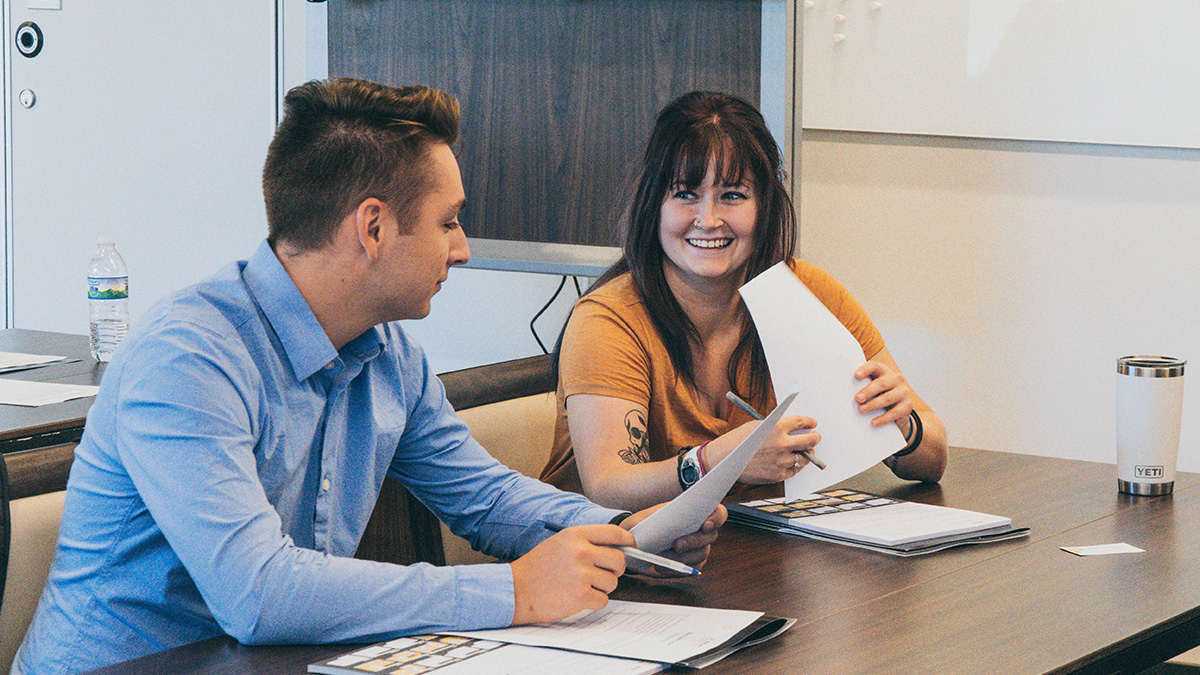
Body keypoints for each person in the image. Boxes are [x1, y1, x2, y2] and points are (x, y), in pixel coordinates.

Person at [13, 78, 724, 675]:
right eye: (448, 222)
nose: (464, 249)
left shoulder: (387, 352)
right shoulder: (188, 357)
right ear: (373, 227)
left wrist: (627, 533)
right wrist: (511, 591)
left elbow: (485, 497)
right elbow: (257, 593)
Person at [540, 91, 947, 512]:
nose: (709, 219)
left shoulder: (809, 292)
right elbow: (608, 486)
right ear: (653, 205)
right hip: (611, 559)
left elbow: (934, 460)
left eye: (733, 195)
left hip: (750, 546)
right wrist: (722, 461)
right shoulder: (607, 320)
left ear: (765, 205)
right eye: (684, 194)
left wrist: (905, 426)